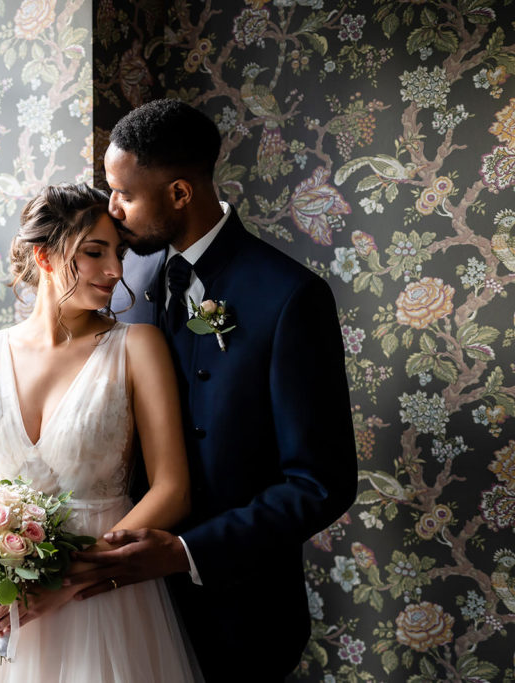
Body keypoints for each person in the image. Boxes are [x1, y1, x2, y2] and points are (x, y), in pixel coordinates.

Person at [68, 99, 358, 681]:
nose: (112, 209)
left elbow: (320, 483)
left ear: (179, 193)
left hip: (241, 613)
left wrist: (183, 553)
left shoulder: (290, 298)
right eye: (108, 189)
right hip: (127, 607)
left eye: (124, 193)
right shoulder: (127, 280)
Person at [0, 183, 200, 682]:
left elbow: (173, 489)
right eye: (94, 252)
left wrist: (67, 581)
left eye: (117, 253)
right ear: (45, 255)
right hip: (3, 606)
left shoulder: (137, 346)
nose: (116, 270)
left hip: (102, 598)